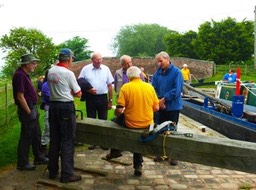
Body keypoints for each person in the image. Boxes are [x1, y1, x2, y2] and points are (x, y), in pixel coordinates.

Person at [105, 66, 159, 176]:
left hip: (131, 123)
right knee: (137, 139)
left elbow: (119, 110)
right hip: (147, 123)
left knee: (114, 121)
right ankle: (138, 165)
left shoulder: (126, 87)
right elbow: (156, 108)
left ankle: (115, 150)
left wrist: (116, 112)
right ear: (140, 75)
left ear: (128, 77)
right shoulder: (149, 87)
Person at [47, 48, 82, 183]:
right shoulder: (68, 73)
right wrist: (72, 92)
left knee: (55, 139)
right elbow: (78, 93)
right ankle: (67, 174)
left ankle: (52, 171)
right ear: (69, 59)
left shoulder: (50, 71)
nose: (72, 60)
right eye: (72, 58)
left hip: (53, 105)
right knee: (67, 140)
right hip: (65, 107)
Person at [12, 53, 49, 171]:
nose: (35, 65)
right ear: (26, 64)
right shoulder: (19, 75)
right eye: (33, 63)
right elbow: (19, 96)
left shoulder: (24, 74)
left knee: (36, 135)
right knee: (26, 137)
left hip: (32, 108)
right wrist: (29, 112)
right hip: (27, 109)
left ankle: (38, 157)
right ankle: (22, 163)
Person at [151, 51, 183, 166]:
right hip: (160, 105)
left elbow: (177, 89)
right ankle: (161, 153)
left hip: (173, 106)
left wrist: (164, 99)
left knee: (172, 130)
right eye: (158, 62)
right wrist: (158, 101)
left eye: (161, 61)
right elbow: (152, 88)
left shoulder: (177, 72)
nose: (159, 64)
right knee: (159, 130)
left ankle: (173, 155)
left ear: (167, 59)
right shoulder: (157, 74)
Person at [78, 52, 114, 150]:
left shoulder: (106, 69)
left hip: (103, 98)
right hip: (90, 98)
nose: (99, 61)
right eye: (97, 59)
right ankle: (93, 142)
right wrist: (88, 90)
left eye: (101, 59)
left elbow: (110, 85)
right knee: (91, 120)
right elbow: (80, 82)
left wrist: (110, 100)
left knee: (103, 120)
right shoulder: (85, 69)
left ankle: (103, 142)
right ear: (92, 60)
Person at [40, 70, 50, 157]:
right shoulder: (45, 85)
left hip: (58, 108)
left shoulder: (57, 84)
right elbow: (49, 97)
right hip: (50, 108)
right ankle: (43, 146)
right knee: (48, 127)